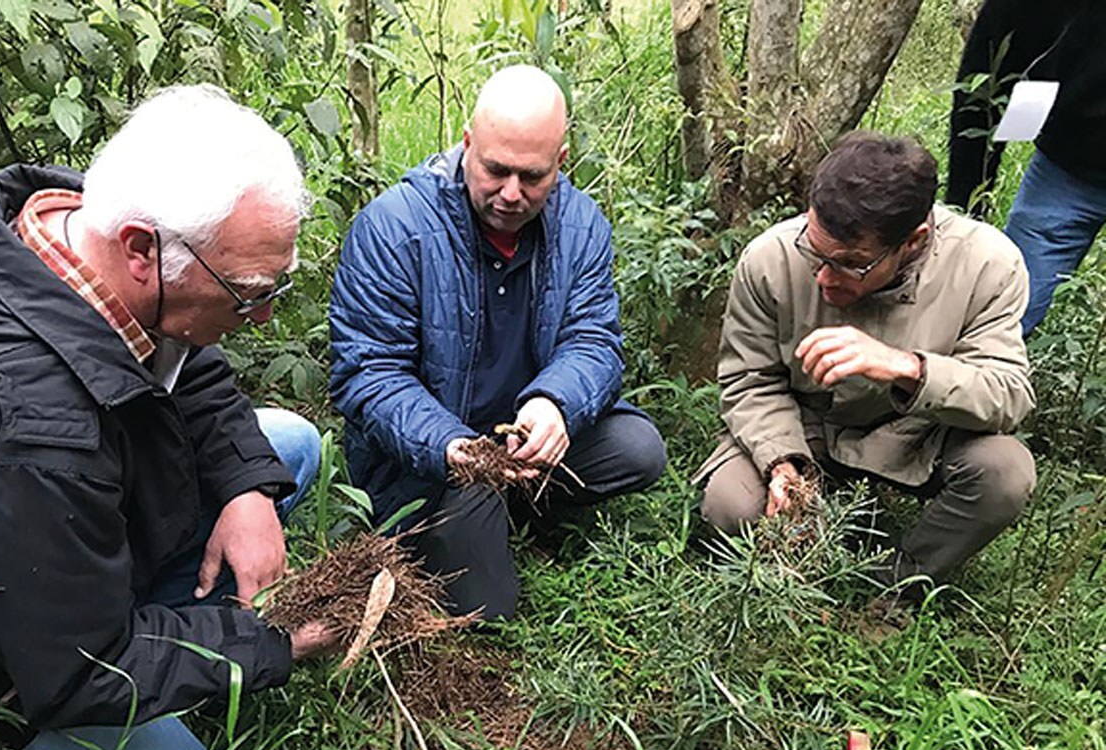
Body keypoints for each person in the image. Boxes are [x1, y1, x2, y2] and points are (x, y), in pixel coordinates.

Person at [0, 85, 335, 750]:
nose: (261, 319)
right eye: (250, 294)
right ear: (142, 251)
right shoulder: (29, 437)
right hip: (16, 649)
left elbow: (185, 355)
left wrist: (245, 485)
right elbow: (80, 670)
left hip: (63, 541)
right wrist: (269, 646)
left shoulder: (71, 221)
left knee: (285, 444)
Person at [329, 65, 666, 621]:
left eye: (531, 177)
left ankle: (516, 499)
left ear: (561, 164)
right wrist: (451, 447)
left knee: (637, 448)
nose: (511, 194)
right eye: (495, 170)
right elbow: (369, 375)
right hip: (433, 458)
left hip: (519, 438)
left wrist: (555, 404)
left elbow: (593, 339)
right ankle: (469, 515)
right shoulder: (393, 228)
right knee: (489, 612)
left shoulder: (580, 226)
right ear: (467, 145)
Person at [697, 132, 1037, 596]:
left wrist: (909, 368)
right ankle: (795, 584)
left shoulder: (988, 265)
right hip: (808, 429)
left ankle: (895, 587)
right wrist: (782, 462)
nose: (822, 277)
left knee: (1004, 472)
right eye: (814, 253)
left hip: (918, 434)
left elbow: (1007, 394)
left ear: (914, 241)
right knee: (728, 504)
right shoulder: (769, 259)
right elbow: (750, 381)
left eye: (848, 264)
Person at [947, 0, 1106, 335]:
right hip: (1067, 173)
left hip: (1067, 163)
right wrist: (964, 215)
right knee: (1000, 314)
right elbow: (982, 90)